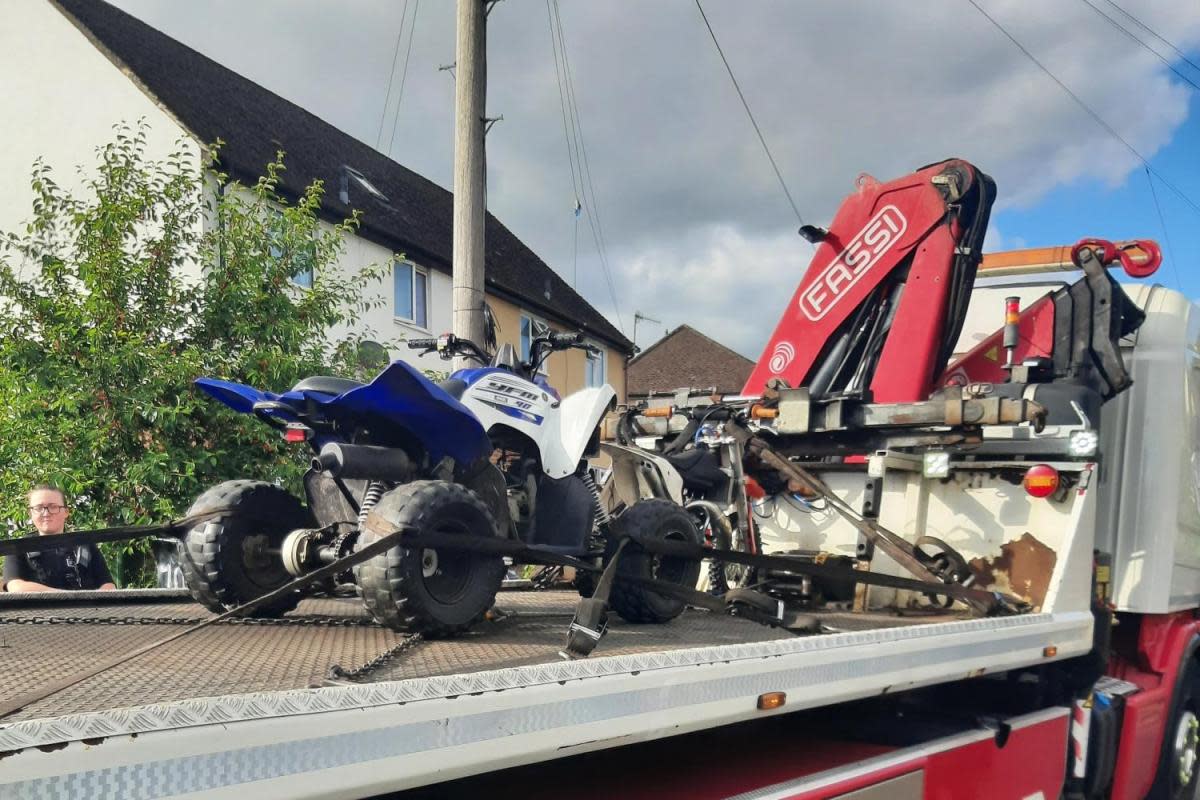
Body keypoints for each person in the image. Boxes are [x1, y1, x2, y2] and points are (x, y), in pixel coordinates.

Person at [2, 484, 116, 592]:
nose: (46, 513)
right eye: (39, 508)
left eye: (53, 507)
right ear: (30, 513)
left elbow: (108, 586)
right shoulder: (18, 547)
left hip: (86, 611)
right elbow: (16, 587)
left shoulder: (84, 544)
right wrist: (68, 598)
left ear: (66, 512)